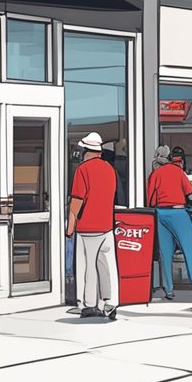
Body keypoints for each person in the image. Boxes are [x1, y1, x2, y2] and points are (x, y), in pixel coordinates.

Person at [147, 145, 192, 307]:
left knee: (165, 253)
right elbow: (190, 194)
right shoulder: (178, 172)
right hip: (179, 213)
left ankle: (169, 290)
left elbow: (150, 200)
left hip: (161, 214)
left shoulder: (155, 174)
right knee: (190, 254)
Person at [68, 132, 119, 320]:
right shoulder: (109, 170)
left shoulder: (82, 170)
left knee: (87, 267)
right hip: (106, 226)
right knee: (107, 266)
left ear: (87, 151)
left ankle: (89, 305)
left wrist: (70, 227)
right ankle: (111, 302)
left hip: (87, 227)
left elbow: (77, 201)